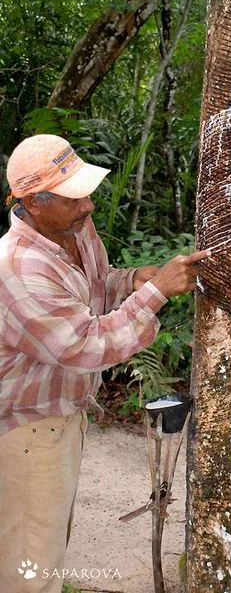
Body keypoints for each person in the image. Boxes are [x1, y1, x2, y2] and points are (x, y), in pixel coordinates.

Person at [0, 134, 210, 593]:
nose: (89, 205)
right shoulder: (17, 269)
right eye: (76, 196)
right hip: (27, 432)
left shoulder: (72, 228)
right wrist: (155, 295)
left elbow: (95, 285)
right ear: (35, 202)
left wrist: (135, 279)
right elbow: (85, 346)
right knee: (29, 566)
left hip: (60, 419)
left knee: (46, 542)